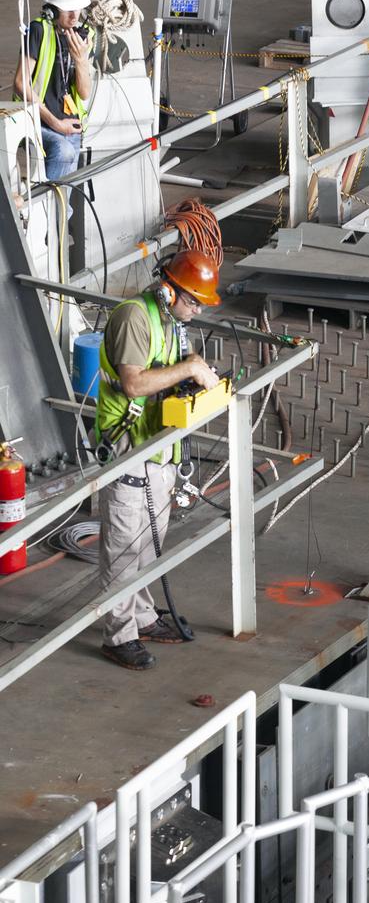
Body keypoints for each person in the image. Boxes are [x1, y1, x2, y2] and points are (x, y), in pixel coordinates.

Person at [95, 250, 221, 671]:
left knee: (148, 545)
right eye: (193, 301)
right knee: (124, 550)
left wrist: (194, 376)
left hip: (159, 449)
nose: (197, 310)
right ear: (169, 290)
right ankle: (119, 635)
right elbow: (133, 385)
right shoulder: (135, 318)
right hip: (130, 450)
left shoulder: (171, 321)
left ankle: (144, 618)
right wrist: (188, 369)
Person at [13, 0, 94, 181]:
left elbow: (84, 93)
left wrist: (81, 60)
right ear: (51, 10)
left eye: (77, 8)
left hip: (71, 125)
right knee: (64, 152)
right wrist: (56, 123)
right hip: (38, 122)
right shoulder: (38, 31)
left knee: (65, 199)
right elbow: (21, 84)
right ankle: (44, 209)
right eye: (67, 9)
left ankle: (58, 213)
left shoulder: (83, 36)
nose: (74, 15)